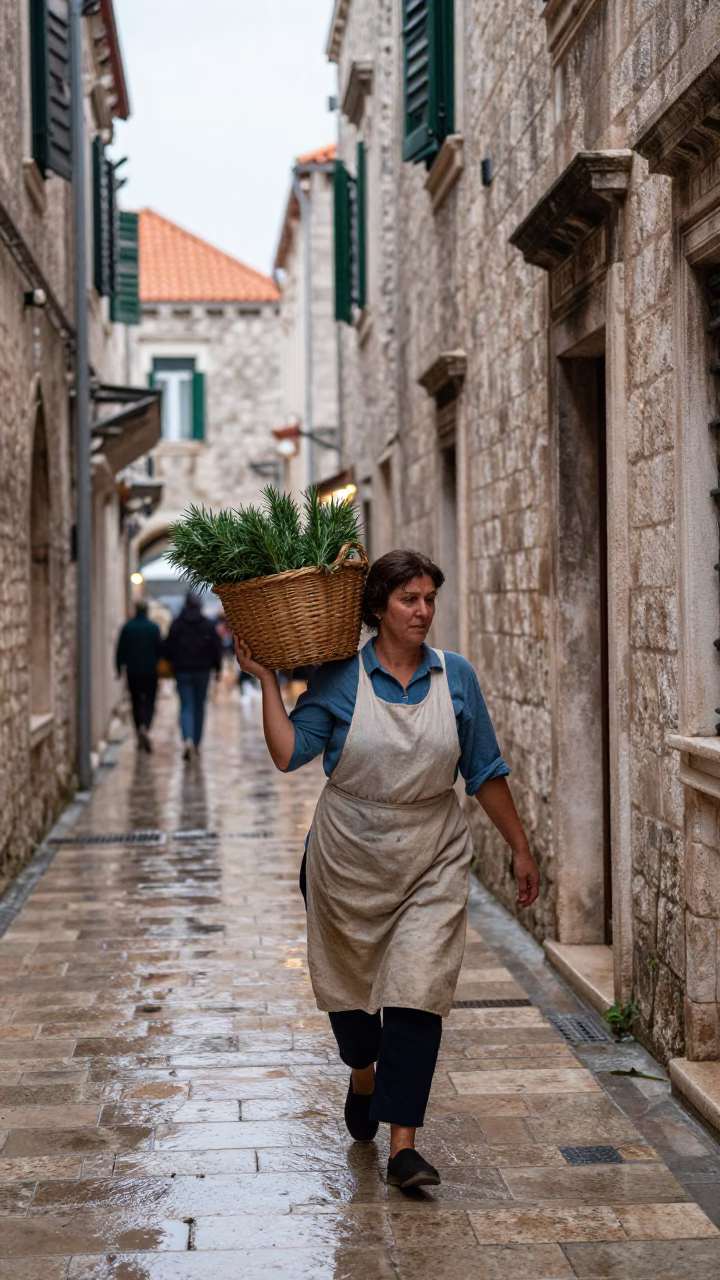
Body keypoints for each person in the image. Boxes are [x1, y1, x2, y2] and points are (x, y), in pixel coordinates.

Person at [234, 549, 539, 1191]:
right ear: (378, 608)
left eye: (429, 599)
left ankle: (404, 1148)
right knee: (352, 1007)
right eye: (409, 599)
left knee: (417, 996)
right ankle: (362, 1073)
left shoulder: (456, 677)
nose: (422, 611)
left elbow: (484, 769)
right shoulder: (340, 678)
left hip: (432, 856)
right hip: (347, 859)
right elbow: (290, 754)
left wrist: (519, 846)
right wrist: (266, 681)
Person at [163, 592, 222, 760]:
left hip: (182, 671)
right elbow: (216, 648)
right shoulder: (207, 625)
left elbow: (168, 647)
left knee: (186, 705)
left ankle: (187, 739)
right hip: (203, 671)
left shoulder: (177, 624)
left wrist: (171, 663)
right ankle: (196, 743)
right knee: (199, 706)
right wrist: (218, 669)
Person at [115, 600, 162, 752]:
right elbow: (160, 649)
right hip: (150, 672)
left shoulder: (128, 628)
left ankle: (139, 729)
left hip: (133, 671)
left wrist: (118, 668)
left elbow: (120, 649)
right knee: (150, 701)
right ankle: (146, 726)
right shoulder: (154, 628)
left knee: (135, 702)